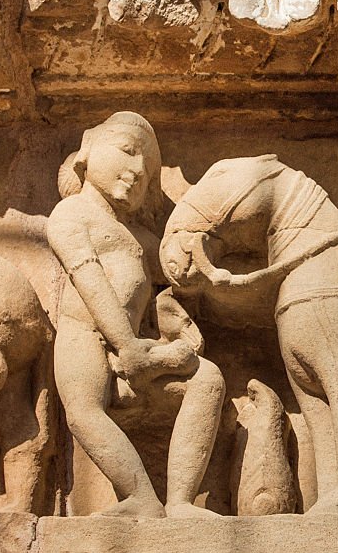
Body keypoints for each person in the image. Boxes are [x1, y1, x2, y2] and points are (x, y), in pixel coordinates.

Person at [47, 111, 225, 518]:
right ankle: (140, 496)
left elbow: (176, 287)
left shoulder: (144, 239)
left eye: (148, 171)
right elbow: (89, 278)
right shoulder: (72, 214)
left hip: (137, 353)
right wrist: (126, 347)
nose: (137, 170)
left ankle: (180, 501)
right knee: (84, 410)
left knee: (208, 378)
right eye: (127, 151)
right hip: (88, 339)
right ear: (88, 149)